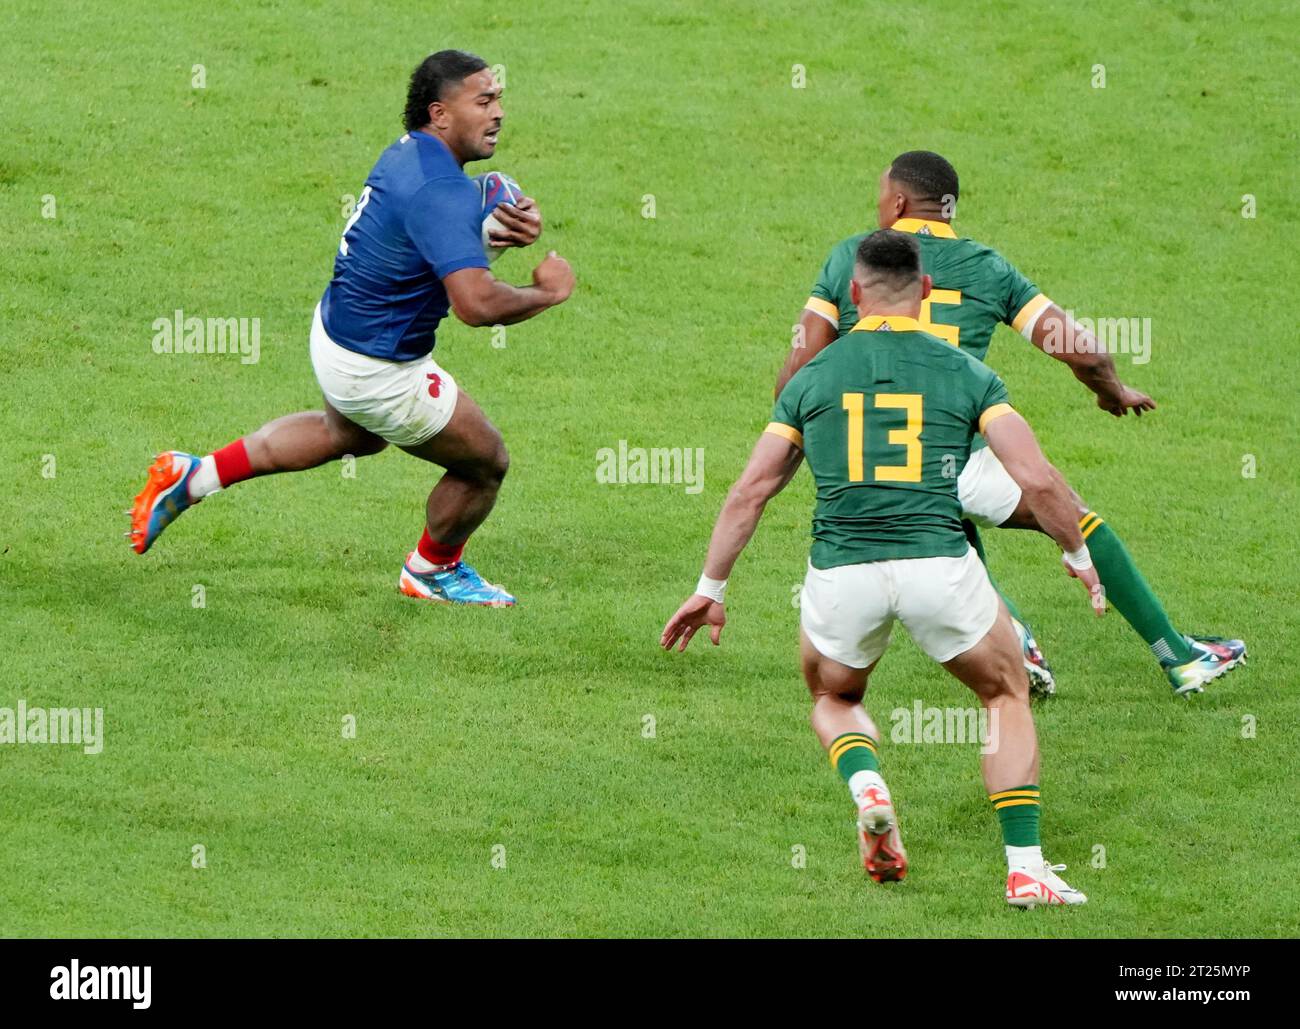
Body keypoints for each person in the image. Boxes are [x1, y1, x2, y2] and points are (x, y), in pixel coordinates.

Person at [664, 230, 1095, 907]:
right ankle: (1025, 869)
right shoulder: (967, 373)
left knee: (836, 697)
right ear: (924, 294)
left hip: (842, 575)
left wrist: (708, 589)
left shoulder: (812, 378)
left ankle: (869, 789)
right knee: (1005, 694)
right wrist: (1077, 554)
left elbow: (750, 489)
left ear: (855, 295)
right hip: (939, 568)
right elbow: (1036, 478)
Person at [776, 150, 1245, 695]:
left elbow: (799, 366)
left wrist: (801, 439)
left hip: (870, 462)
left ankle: (1017, 639)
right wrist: (1112, 391)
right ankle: (1178, 656)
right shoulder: (986, 267)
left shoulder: (852, 259)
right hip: (962, 457)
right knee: (1067, 514)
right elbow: (1081, 352)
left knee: (946, 526)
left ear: (898, 201)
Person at [128, 50, 574, 606]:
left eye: (499, 99)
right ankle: (431, 570)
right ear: (439, 114)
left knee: (350, 436)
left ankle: (195, 477)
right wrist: (548, 292)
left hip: (336, 333)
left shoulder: (409, 155)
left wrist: (493, 207)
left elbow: (432, 225)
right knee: (485, 463)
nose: (499, 111)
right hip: (380, 368)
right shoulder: (441, 194)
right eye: (483, 101)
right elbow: (476, 305)